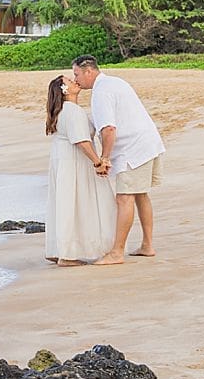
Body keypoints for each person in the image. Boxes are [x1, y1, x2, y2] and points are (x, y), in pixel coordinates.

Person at [71, 55, 165, 265]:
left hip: (133, 148)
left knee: (125, 198)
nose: (75, 79)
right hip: (147, 143)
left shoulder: (101, 92)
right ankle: (147, 245)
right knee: (140, 194)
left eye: (76, 74)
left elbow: (109, 129)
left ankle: (117, 252)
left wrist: (104, 157)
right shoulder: (114, 82)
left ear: (89, 71)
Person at [44, 75, 117, 266]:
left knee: (65, 202)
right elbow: (81, 140)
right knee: (76, 203)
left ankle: (58, 249)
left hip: (63, 159)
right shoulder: (72, 111)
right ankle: (67, 254)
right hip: (73, 161)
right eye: (69, 81)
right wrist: (97, 162)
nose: (74, 81)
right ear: (64, 90)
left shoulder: (63, 111)